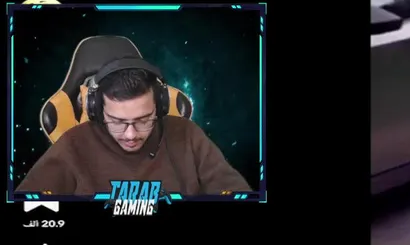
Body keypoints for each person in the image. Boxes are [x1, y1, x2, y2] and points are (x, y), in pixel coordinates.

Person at [16, 66, 251, 196]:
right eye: (117, 121)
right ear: (96, 110)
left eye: (144, 120)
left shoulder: (187, 134)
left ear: (160, 106)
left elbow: (235, 191)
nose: (130, 135)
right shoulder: (73, 143)